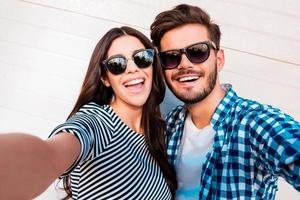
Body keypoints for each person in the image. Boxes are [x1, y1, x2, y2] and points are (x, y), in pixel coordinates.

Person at [0, 26, 177, 199]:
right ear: (105, 78)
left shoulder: (159, 130)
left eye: (142, 58)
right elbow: (49, 155)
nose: (132, 69)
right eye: (117, 64)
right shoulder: (99, 122)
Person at [150, 4, 300, 200]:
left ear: (219, 60)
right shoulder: (169, 124)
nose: (185, 65)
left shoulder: (253, 123)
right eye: (171, 57)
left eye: (197, 52)